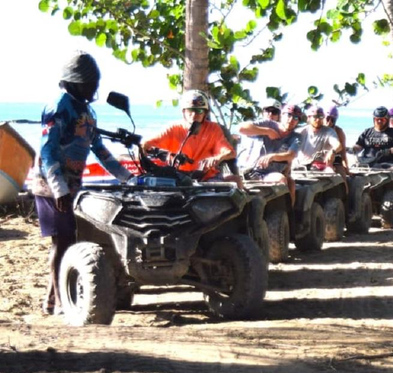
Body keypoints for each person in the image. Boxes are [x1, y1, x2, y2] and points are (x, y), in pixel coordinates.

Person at [31, 50, 133, 315]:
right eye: (91, 84)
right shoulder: (58, 107)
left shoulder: (87, 112)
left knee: (72, 239)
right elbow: (48, 151)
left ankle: (51, 300)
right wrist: (59, 188)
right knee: (62, 241)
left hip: (72, 186)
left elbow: (100, 150)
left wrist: (127, 177)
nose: (94, 89)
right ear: (75, 82)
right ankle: (62, 302)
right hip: (50, 185)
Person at [142, 89, 239, 186]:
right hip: (178, 178)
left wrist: (217, 158)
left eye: (199, 111)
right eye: (190, 110)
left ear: (205, 113)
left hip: (206, 178)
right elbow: (147, 144)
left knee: (235, 181)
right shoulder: (173, 128)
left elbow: (230, 153)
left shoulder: (213, 129)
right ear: (183, 111)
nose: (194, 115)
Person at [237, 104, 302, 203]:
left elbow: (291, 154)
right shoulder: (268, 124)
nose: (291, 119)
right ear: (282, 115)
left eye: (295, 117)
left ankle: (289, 213)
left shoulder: (296, 137)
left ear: (298, 121)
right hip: (252, 170)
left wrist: (272, 157)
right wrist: (267, 131)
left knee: (290, 183)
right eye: (288, 115)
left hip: (272, 173)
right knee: (281, 179)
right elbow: (241, 128)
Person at [353, 106, 393, 195]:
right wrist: (352, 149)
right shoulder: (367, 132)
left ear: (387, 120)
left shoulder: (392, 132)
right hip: (367, 162)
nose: (379, 121)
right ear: (374, 119)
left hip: (387, 163)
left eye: (382, 119)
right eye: (377, 119)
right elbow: (359, 145)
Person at [295, 105, 343, 174]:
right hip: (301, 165)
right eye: (315, 117)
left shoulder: (329, 132)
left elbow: (338, 145)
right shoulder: (300, 131)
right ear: (308, 118)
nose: (318, 120)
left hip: (322, 166)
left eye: (320, 117)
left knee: (332, 174)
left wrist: (332, 152)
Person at [324, 105, 349, 176]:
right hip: (319, 160)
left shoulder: (339, 132)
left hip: (335, 160)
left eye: (333, 120)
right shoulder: (318, 129)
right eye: (327, 119)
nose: (329, 122)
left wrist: (346, 168)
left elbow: (343, 153)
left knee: (343, 177)